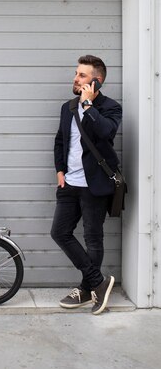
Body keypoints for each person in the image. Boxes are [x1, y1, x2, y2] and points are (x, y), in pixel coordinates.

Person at [50, 54, 122, 315]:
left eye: (82, 75)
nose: (76, 78)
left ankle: (85, 288)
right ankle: (98, 283)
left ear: (97, 81)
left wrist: (89, 106)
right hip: (69, 184)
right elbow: (60, 141)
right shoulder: (67, 108)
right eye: (76, 73)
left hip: (95, 185)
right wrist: (60, 170)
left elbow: (106, 133)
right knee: (60, 232)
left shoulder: (110, 108)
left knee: (93, 238)